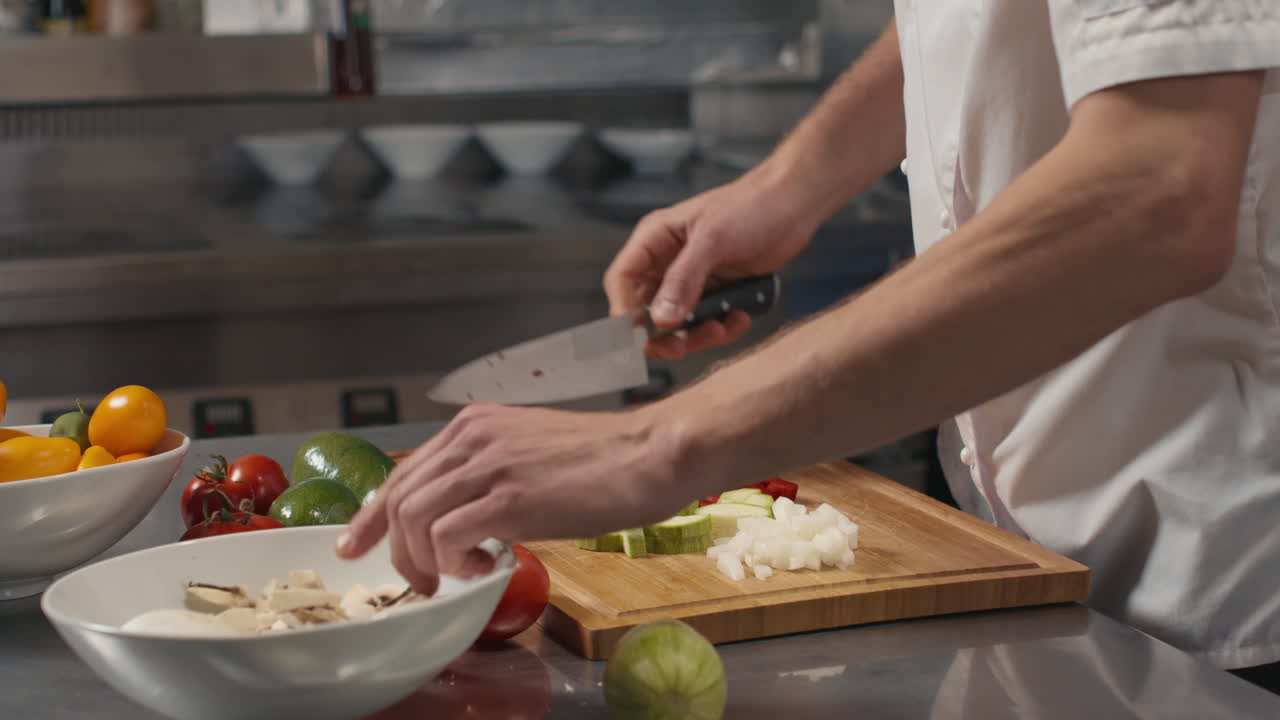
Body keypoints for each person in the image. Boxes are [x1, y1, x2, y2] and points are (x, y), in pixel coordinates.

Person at [339, 1, 1280, 688]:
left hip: (1231, 594)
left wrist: (654, 444)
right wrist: (796, 182)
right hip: (1048, 564)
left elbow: (1156, 191)